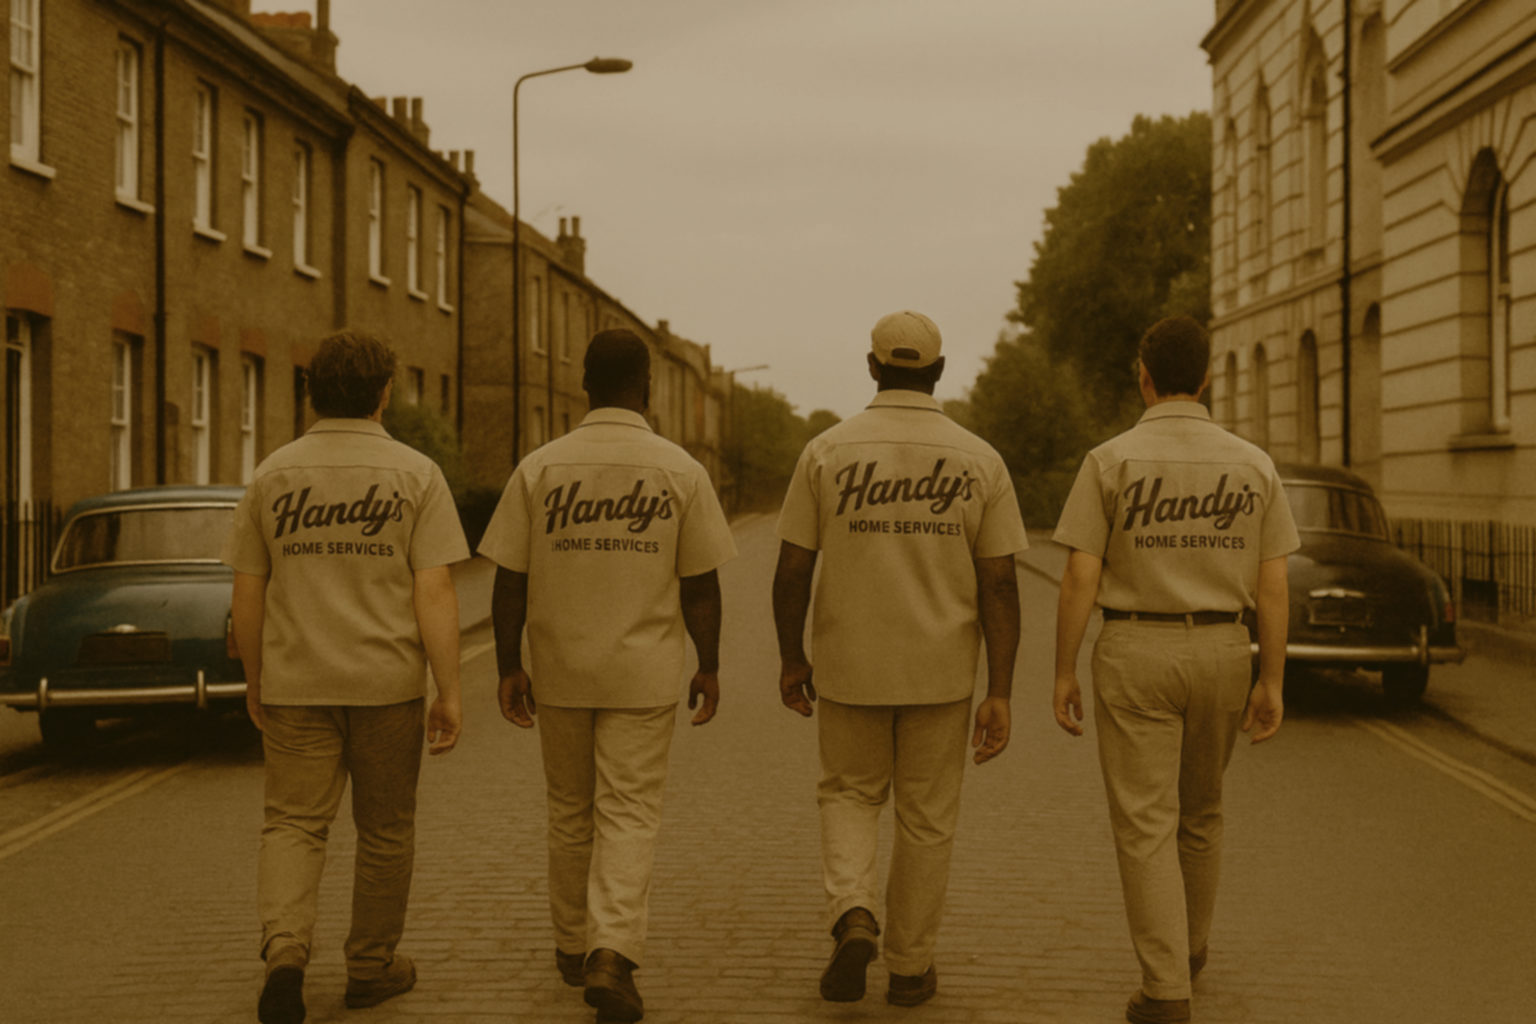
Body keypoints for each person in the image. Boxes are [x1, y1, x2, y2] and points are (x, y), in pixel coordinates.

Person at [480, 328, 737, 1023]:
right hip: (643, 674)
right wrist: (708, 664)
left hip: (561, 668)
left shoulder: (540, 468)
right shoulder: (679, 470)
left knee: (570, 812)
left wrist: (509, 665)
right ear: (647, 386)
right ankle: (612, 951)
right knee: (628, 813)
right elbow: (702, 585)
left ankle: (572, 944)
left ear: (583, 386)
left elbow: (509, 579)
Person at [772, 310, 1027, 1008]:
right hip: (941, 672)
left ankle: (854, 911)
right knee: (926, 816)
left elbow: (794, 566)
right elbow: (1000, 582)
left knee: (849, 794)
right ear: (940, 373)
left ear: (873, 367)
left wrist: (792, 658)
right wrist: (999, 689)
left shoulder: (826, 451)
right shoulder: (980, 459)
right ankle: (911, 968)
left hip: (849, 664)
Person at [1051, 315, 1298, 1024]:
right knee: (1204, 810)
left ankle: (1164, 988)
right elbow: (1273, 585)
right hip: (1224, 648)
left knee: (1145, 821)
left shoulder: (1110, 460)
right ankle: (1187, 946)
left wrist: (1064, 669)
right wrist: (1271, 679)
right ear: (1210, 376)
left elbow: (1077, 576)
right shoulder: (1253, 465)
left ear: (1144, 375)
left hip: (1136, 649)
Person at [224, 330, 469, 1024]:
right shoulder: (416, 474)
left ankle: (285, 954)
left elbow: (249, 590)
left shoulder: (273, 474)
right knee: (386, 830)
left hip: (297, 685)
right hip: (387, 686)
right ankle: (369, 966)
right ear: (384, 392)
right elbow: (436, 590)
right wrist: (448, 689)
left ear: (311, 390)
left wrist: (257, 678)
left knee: (293, 825)